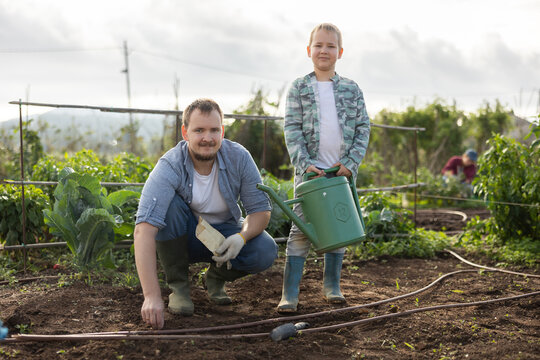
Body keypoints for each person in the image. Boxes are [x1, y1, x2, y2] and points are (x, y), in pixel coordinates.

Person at [134, 98, 278, 329]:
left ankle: (215, 277)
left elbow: (260, 210)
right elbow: (144, 229)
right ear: (185, 132)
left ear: (222, 131)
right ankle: (179, 287)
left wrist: (241, 237)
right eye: (199, 130)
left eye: (213, 130)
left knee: (265, 250)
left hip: (224, 236)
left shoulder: (238, 157)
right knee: (169, 206)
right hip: (185, 236)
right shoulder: (170, 165)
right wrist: (151, 296)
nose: (207, 138)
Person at [280, 23, 371, 312]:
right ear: (309, 51)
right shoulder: (299, 87)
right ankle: (290, 293)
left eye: (330, 46)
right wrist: (305, 164)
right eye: (318, 45)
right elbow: (292, 129)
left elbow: (363, 127)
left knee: (339, 225)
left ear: (340, 52)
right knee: (301, 230)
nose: (324, 50)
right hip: (310, 174)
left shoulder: (351, 89)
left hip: (340, 172)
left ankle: (332, 285)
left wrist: (351, 162)